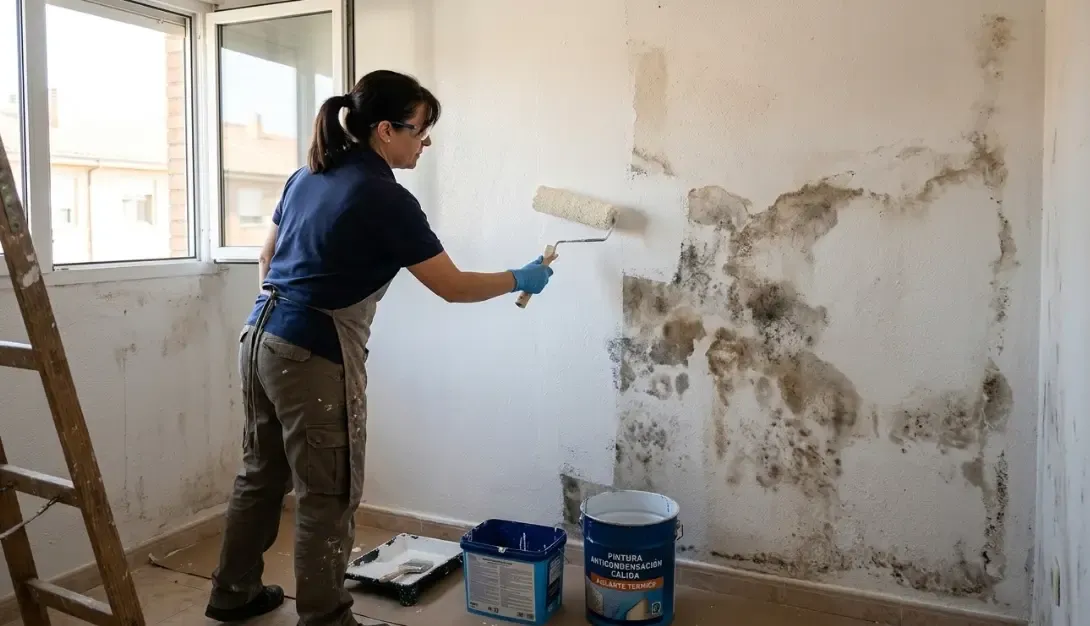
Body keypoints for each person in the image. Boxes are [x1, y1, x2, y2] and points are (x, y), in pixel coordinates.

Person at [203, 69, 555, 626]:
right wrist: (519, 277)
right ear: (386, 130)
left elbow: (266, 257)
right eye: (420, 130)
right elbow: (451, 286)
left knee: (260, 474)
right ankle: (325, 619)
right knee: (328, 493)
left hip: (260, 337)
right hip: (310, 352)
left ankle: (233, 592)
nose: (425, 143)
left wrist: (294, 311)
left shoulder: (307, 175)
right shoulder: (385, 197)